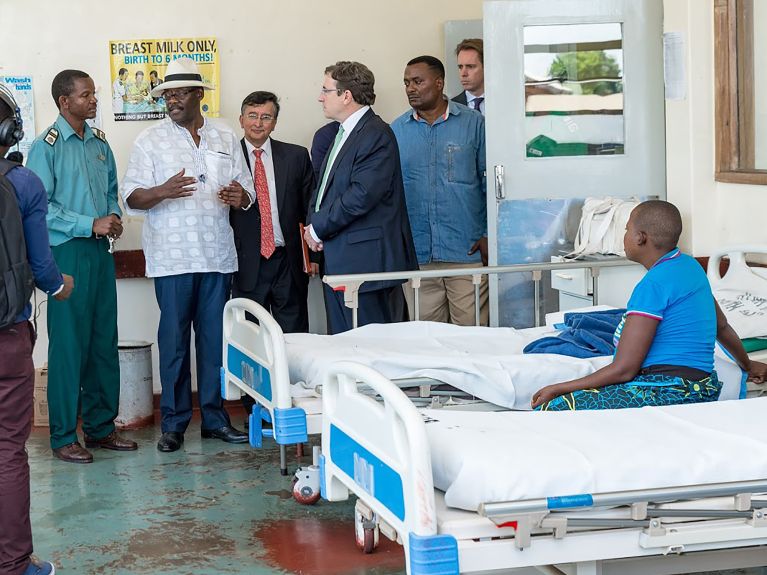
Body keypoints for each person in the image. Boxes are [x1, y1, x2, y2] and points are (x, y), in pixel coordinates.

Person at [120, 57, 253, 453]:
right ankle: (174, 424)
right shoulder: (150, 140)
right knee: (174, 341)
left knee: (214, 342)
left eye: (180, 93)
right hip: (172, 259)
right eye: (167, 95)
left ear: (199, 95)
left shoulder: (226, 135)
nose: (172, 100)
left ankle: (214, 419)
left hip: (216, 255)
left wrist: (239, 197)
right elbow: (130, 197)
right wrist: (162, 190)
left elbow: (247, 192)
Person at [532, 200, 767, 410]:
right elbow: (722, 327)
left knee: (554, 407)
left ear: (640, 237)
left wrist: (560, 388)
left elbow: (625, 369)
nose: (623, 236)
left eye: (626, 230)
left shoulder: (653, 285)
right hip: (703, 387)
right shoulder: (691, 267)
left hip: (667, 390)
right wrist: (747, 364)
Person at [26, 69, 136, 463]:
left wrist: (111, 214)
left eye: (94, 94)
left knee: (103, 340)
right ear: (64, 102)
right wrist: (89, 223)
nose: (93, 101)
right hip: (67, 253)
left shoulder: (99, 143)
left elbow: (110, 191)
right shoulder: (47, 146)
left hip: (99, 252)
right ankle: (62, 437)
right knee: (69, 346)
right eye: (86, 95)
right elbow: (41, 209)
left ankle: (101, 428)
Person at [0, 84, 72, 575]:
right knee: (7, 449)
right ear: (9, 130)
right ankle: (14, 565)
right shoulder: (22, 183)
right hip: (6, 336)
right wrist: (59, 286)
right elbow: (44, 268)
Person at [304, 61, 417, 334]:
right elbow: (326, 188)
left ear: (346, 95)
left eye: (326, 90)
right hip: (342, 257)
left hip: (366, 263)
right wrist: (314, 228)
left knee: (370, 349)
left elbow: (361, 194)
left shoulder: (376, 133)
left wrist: (319, 228)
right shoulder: (342, 133)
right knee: (346, 346)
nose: (320, 97)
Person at [391, 56, 488, 326]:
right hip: (419, 255)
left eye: (418, 81)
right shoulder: (396, 131)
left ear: (439, 82)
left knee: (472, 337)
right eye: (407, 83)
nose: (410, 88)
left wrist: (488, 235)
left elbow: (490, 184)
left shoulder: (473, 124)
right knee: (427, 342)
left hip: (465, 252)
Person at [231, 91, 315, 333]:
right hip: (245, 263)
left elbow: (309, 207)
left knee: (294, 337)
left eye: (266, 117)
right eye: (252, 116)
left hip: (288, 261)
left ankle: (291, 374)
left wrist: (314, 258)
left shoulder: (296, 156)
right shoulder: (227, 159)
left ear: (275, 123)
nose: (258, 123)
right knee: (249, 338)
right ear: (241, 120)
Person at [452, 38, 485, 115]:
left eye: (470, 66)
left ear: (485, 67)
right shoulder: (451, 107)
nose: (463, 74)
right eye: (460, 67)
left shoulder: (503, 102)